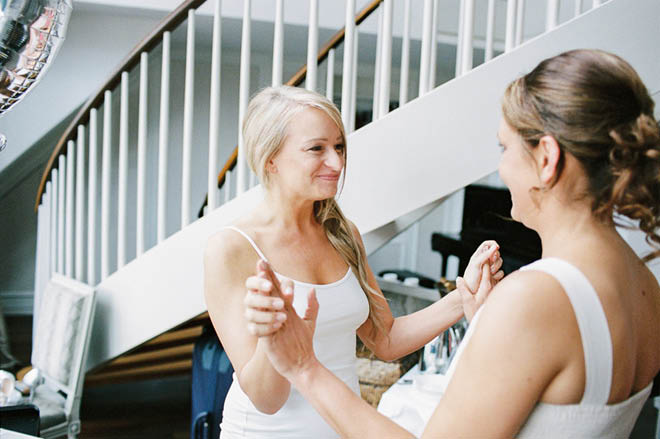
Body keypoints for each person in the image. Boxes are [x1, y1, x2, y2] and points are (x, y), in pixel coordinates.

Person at [244, 49, 660, 438]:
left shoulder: (537, 297)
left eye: (505, 147)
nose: (501, 167)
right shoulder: (644, 284)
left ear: (547, 158)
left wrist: (305, 368)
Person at [203, 86, 503, 438]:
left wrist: (464, 294)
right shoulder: (231, 249)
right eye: (317, 148)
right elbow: (266, 400)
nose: (337, 162)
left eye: (339, 147)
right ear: (271, 159)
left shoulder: (343, 233)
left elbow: (386, 339)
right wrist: (276, 337)